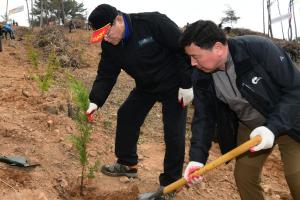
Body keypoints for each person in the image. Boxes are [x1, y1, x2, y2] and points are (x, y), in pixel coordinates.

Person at [180, 20, 300, 200]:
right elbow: (204, 117)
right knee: (244, 177)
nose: (192, 63)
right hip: (251, 127)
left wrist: (272, 128)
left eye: (196, 56)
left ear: (218, 48)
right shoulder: (200, 75)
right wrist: (197, 159)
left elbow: (295, 89)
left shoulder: (259, 50)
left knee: (296, 178)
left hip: (289, 121)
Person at [86, 4, 193, 199]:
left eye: (107, 33)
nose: (106, 39)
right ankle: (128, 164)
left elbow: (182, 49)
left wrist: (187, 84)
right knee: (127, 115)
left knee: (173, 132)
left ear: (118, 20)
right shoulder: (110, 44)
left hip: (174, 86)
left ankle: (170, 183)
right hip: (146, 86)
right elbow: (106, 74)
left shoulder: (152, 23)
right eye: (102, 37)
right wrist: (95, 100)